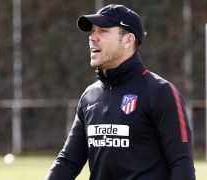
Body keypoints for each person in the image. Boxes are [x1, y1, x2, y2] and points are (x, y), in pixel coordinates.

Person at [46, 4, 195, 180]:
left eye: (103, 31)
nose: (93, 37)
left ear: (128, 40)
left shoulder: (161, 92)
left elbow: (182, 166)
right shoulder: (89, 96)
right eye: (92, 31)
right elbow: (68, 161)